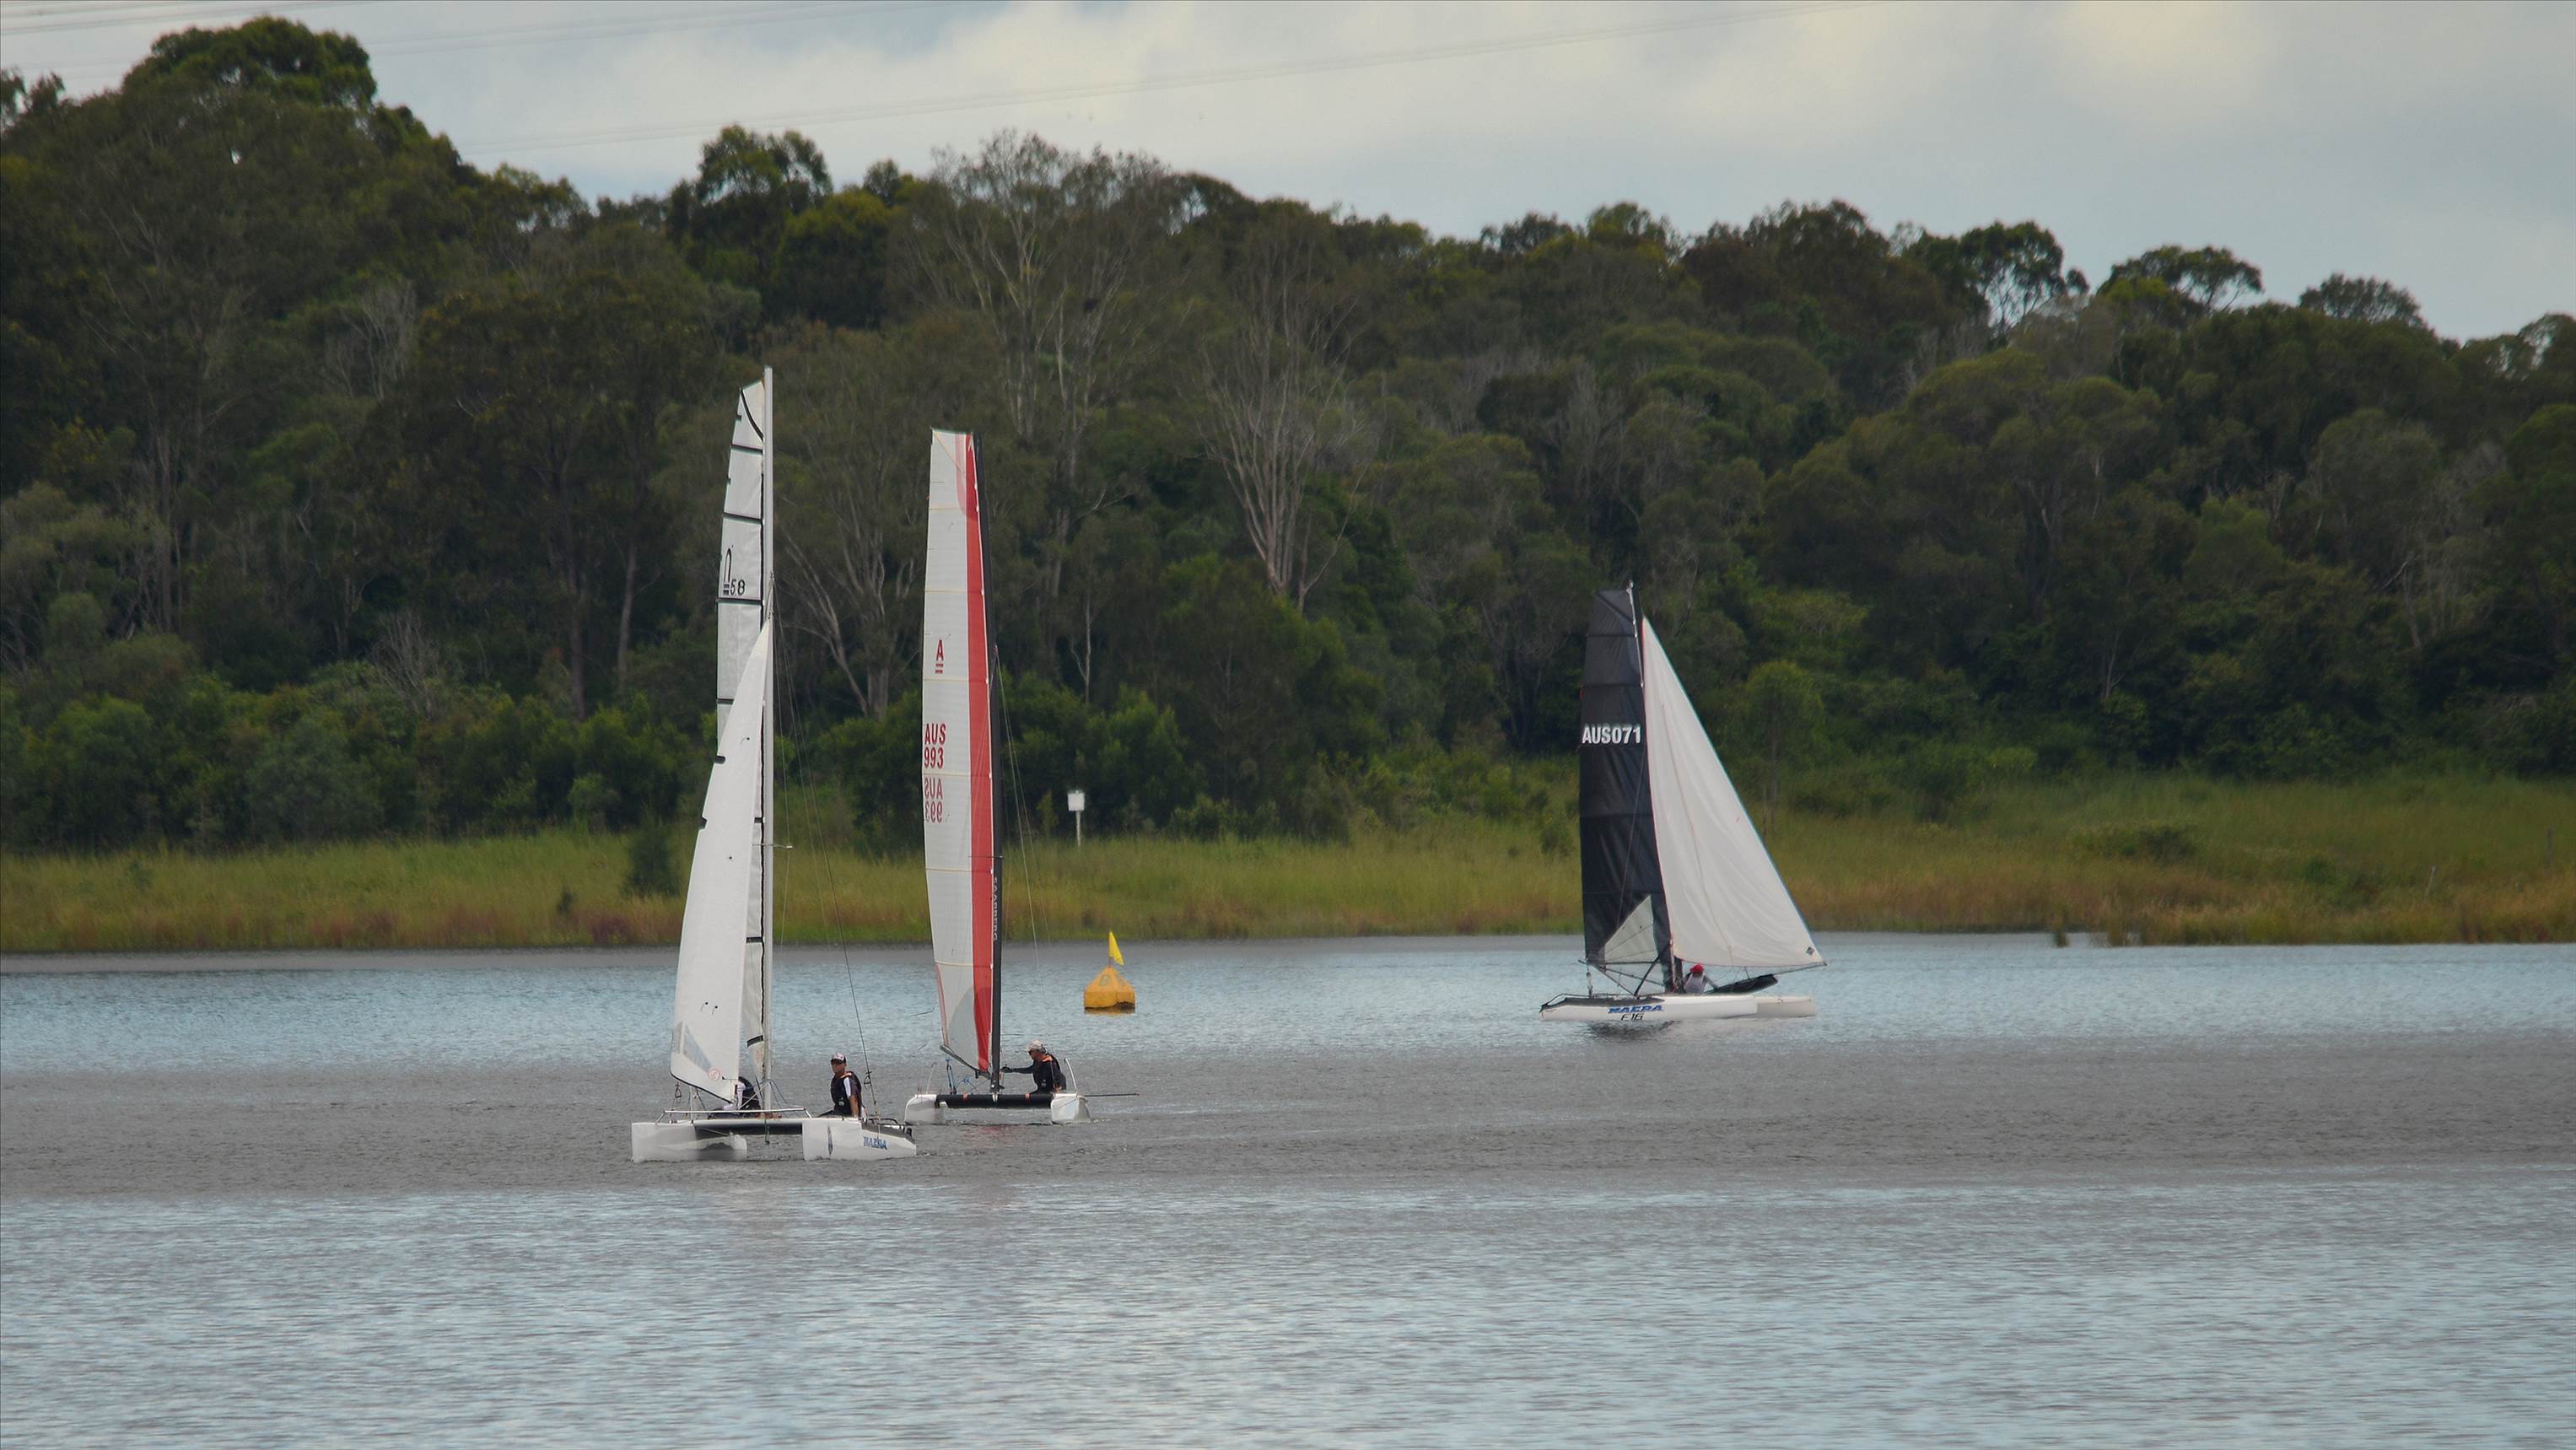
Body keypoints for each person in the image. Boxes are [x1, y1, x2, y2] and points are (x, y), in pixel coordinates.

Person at [1001, 1039, 1066, 1094]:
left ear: (1037, 1052)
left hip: (1049, 1093)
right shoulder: (1037, 1061)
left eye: (1030, 1052)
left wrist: (1060, 1089)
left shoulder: (1049, 1063)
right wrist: (1012, 1070)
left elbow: (1061, 1077)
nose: (1029, 1055)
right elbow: (1030, 1070)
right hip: (1041, 1091)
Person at [824, 1053, 862, 1117]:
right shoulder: (836, 1080)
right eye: (833, 1063)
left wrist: (854, 1119)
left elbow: (853, 1099)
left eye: (838, 1063)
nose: (835, 1065)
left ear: (844, 1065)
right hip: (839, 1113)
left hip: (847, 1115)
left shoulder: (847, 1080)